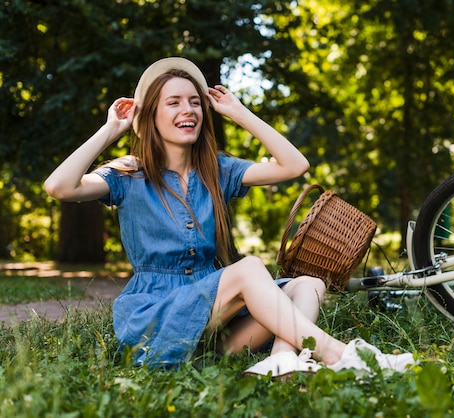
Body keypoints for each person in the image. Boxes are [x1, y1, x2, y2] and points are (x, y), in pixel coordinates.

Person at [44, 57, 416, 377]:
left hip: (221, 325)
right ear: (151, 115)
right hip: (157, 320)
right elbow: (59, 186)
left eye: (194, 102)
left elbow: (294, 165)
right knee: (250, 268)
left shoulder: (217, 170)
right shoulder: (129, 174)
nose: (187, 110)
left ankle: (282, 360)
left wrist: (239, 113)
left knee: (309, 283)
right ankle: (340, 355)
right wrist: (111, 130)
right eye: (173, 102)